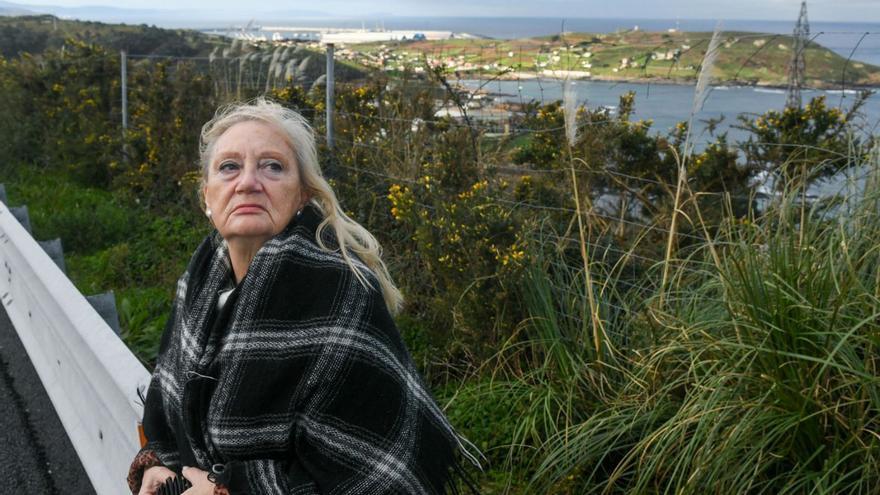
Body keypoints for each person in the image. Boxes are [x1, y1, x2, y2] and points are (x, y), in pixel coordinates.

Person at [127, 98, 478, 495]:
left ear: (302, 196)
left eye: (272, 166)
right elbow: (170, 409)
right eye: (229, 167)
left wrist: (227, 488)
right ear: (207, 196)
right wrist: (158, 463)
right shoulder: (201, 280)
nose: (248, 182)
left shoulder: (341, 295)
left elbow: (369, 480)